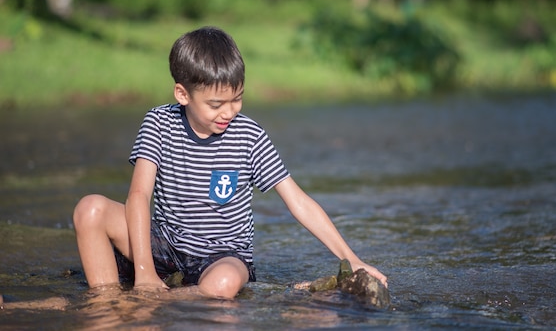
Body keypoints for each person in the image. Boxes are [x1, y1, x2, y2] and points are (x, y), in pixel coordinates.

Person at [73, 26, 387, 299]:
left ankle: (160, 300)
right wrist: (143, 273)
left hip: (223, 257)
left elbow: (297, 201)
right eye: (215, 104)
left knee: (223, 283)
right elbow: (139, 196)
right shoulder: (159, 122)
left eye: (237, 98)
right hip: (165, 246)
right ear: (183, 94)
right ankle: (106, 302)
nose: (228, 112)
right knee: (90, 209)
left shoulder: (248, 135)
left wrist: (351, 259)